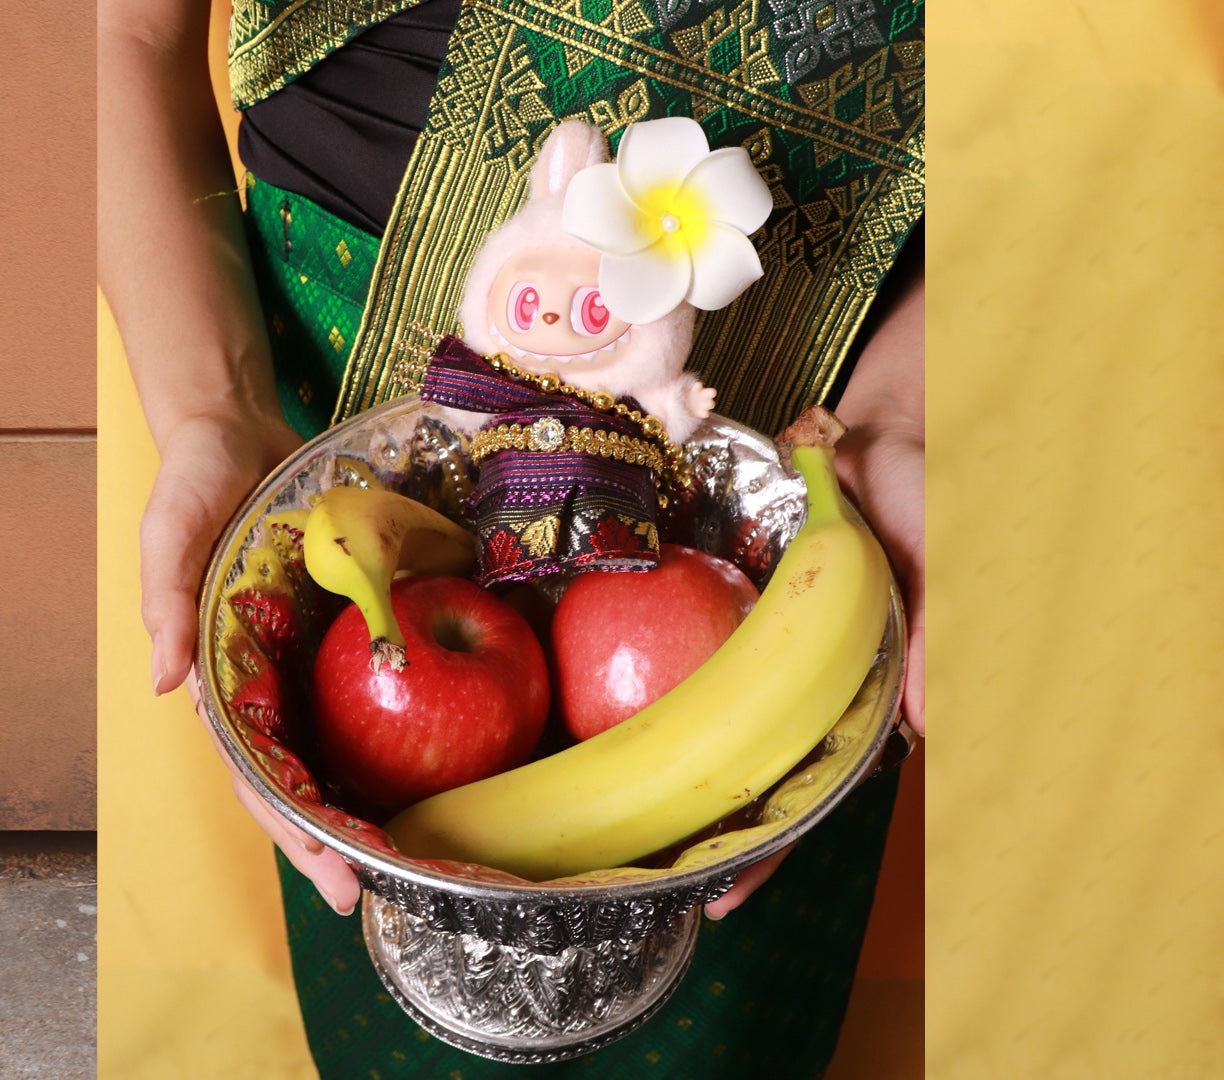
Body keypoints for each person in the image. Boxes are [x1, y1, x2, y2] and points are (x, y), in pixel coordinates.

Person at [102, 0, 922, 1074]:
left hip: (801, 468)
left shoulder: (828, 541)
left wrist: (901, 417)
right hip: (332, 399)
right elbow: (130, 32)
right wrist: (214, 403)